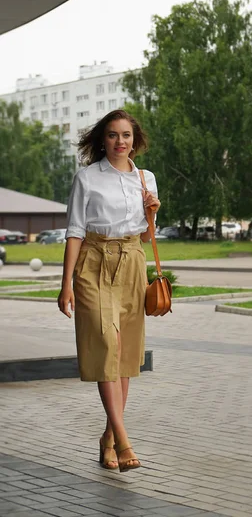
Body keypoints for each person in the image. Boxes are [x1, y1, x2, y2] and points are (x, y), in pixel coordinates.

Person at [57, 109, 160, 473]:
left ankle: (108, 440)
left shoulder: (146, 180)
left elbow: (147, 236)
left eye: (127, 135)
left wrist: (152, 213)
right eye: (114, 135)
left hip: (132, 260)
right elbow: (74, 231)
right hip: (94, 262)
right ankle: (124, 437)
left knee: (125, 354)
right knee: (105, 345)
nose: (120, 141)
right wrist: (66, 284)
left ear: (135, 140)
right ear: (103, 139)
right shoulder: (86, 177)